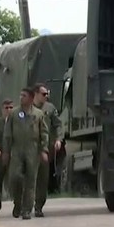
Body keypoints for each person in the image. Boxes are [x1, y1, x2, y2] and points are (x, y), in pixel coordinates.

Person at [3, 87, 48, 220]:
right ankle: (17, 202)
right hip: (17, 149)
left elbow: (44, 133)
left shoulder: (38, 114)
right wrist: (6, 151)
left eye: (24, 96)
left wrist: (44, 150)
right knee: (14, 177)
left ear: (31, 98)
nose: (21, 98)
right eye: (20, 95)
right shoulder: (14, 114)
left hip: (32, 150)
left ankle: (26, 209)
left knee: (30, 180)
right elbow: (7, 133)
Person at [32, 82, 63, 217]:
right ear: (35, 94)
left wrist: (58, 139)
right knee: (27, 178)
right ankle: (24, 205)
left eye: (47, 94)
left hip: (45, 148)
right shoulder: (27, 108)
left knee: (42, 179)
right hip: (29, 148)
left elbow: (58, 125)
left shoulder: (50, 108)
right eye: (44, 94)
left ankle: (38, 206)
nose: (46, 96)